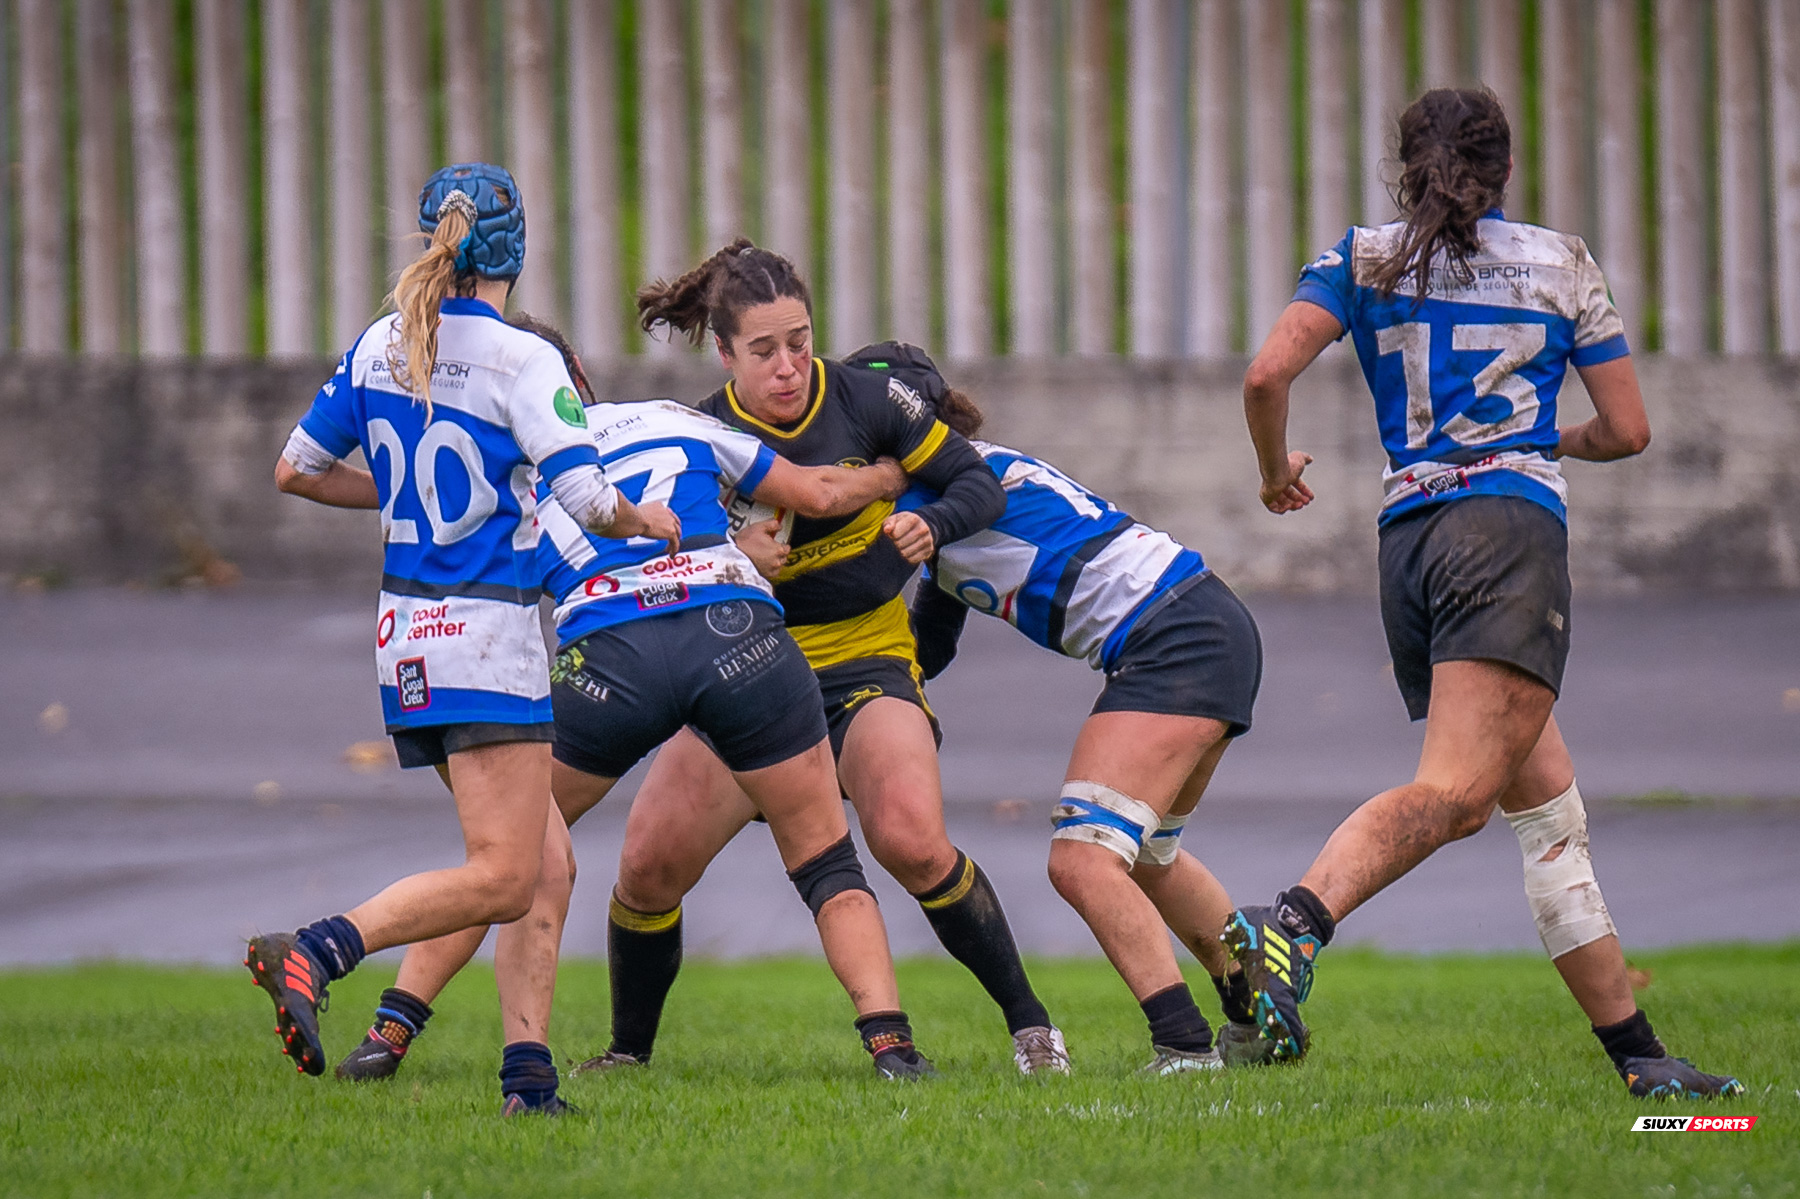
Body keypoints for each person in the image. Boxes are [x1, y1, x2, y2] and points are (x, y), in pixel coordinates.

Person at [1228, 89, 1743, 1099]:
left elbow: (1264, 376)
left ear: (1405, 162)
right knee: (1458, 794)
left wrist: (1273, 469)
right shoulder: (1559, 261)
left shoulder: (1362, 257)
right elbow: (1629, 427)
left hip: (1410, 543)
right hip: (1505, 535)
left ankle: (1641, 1058)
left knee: (1548, 814)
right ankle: (1290, 925)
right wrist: (1553, 439)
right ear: (1503, 168)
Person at [333, 316, 941, 1084]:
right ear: (578, 371)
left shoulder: (509, 477)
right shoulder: (672, 415)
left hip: (609, 659)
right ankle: (892, 1046)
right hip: (739, 636)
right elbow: (814, 489)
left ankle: (388, 1034)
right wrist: (891, 476)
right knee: (823, 853)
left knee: (505, 855)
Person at [573, 240, 1069, 1077]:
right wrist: (735, 554)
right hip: (747, 671)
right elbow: (651, 554)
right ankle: (628, 1053)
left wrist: (934, 525)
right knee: (648, 863)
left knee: (912, 839)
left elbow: (977, 482)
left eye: (799, 340)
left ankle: (1032, 1027)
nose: (789, 366)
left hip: (866, 663)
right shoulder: (698, 429)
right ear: (725, 354)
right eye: (763, 350)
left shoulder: (872, 400)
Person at [251, 162, 681, 1116]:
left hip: (407, 637)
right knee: (506, 872)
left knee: (546, 861)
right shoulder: (521, 359)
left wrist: (400, 498)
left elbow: (294, 469)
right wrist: (645, 517)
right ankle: (318, 950)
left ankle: (528, 1080)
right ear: (516, 252)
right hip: (486, 638)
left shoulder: (379, 345)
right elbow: (582, 496)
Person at [855, 343, 1270, 1074]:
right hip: (1201, 621)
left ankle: (1184, 1044)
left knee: (1081, 859)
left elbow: (847, 571)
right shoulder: (954, 485)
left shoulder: (928, 491)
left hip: (1172, 635)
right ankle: (1259, 1013)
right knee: (1148, 854)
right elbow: (930, 642)